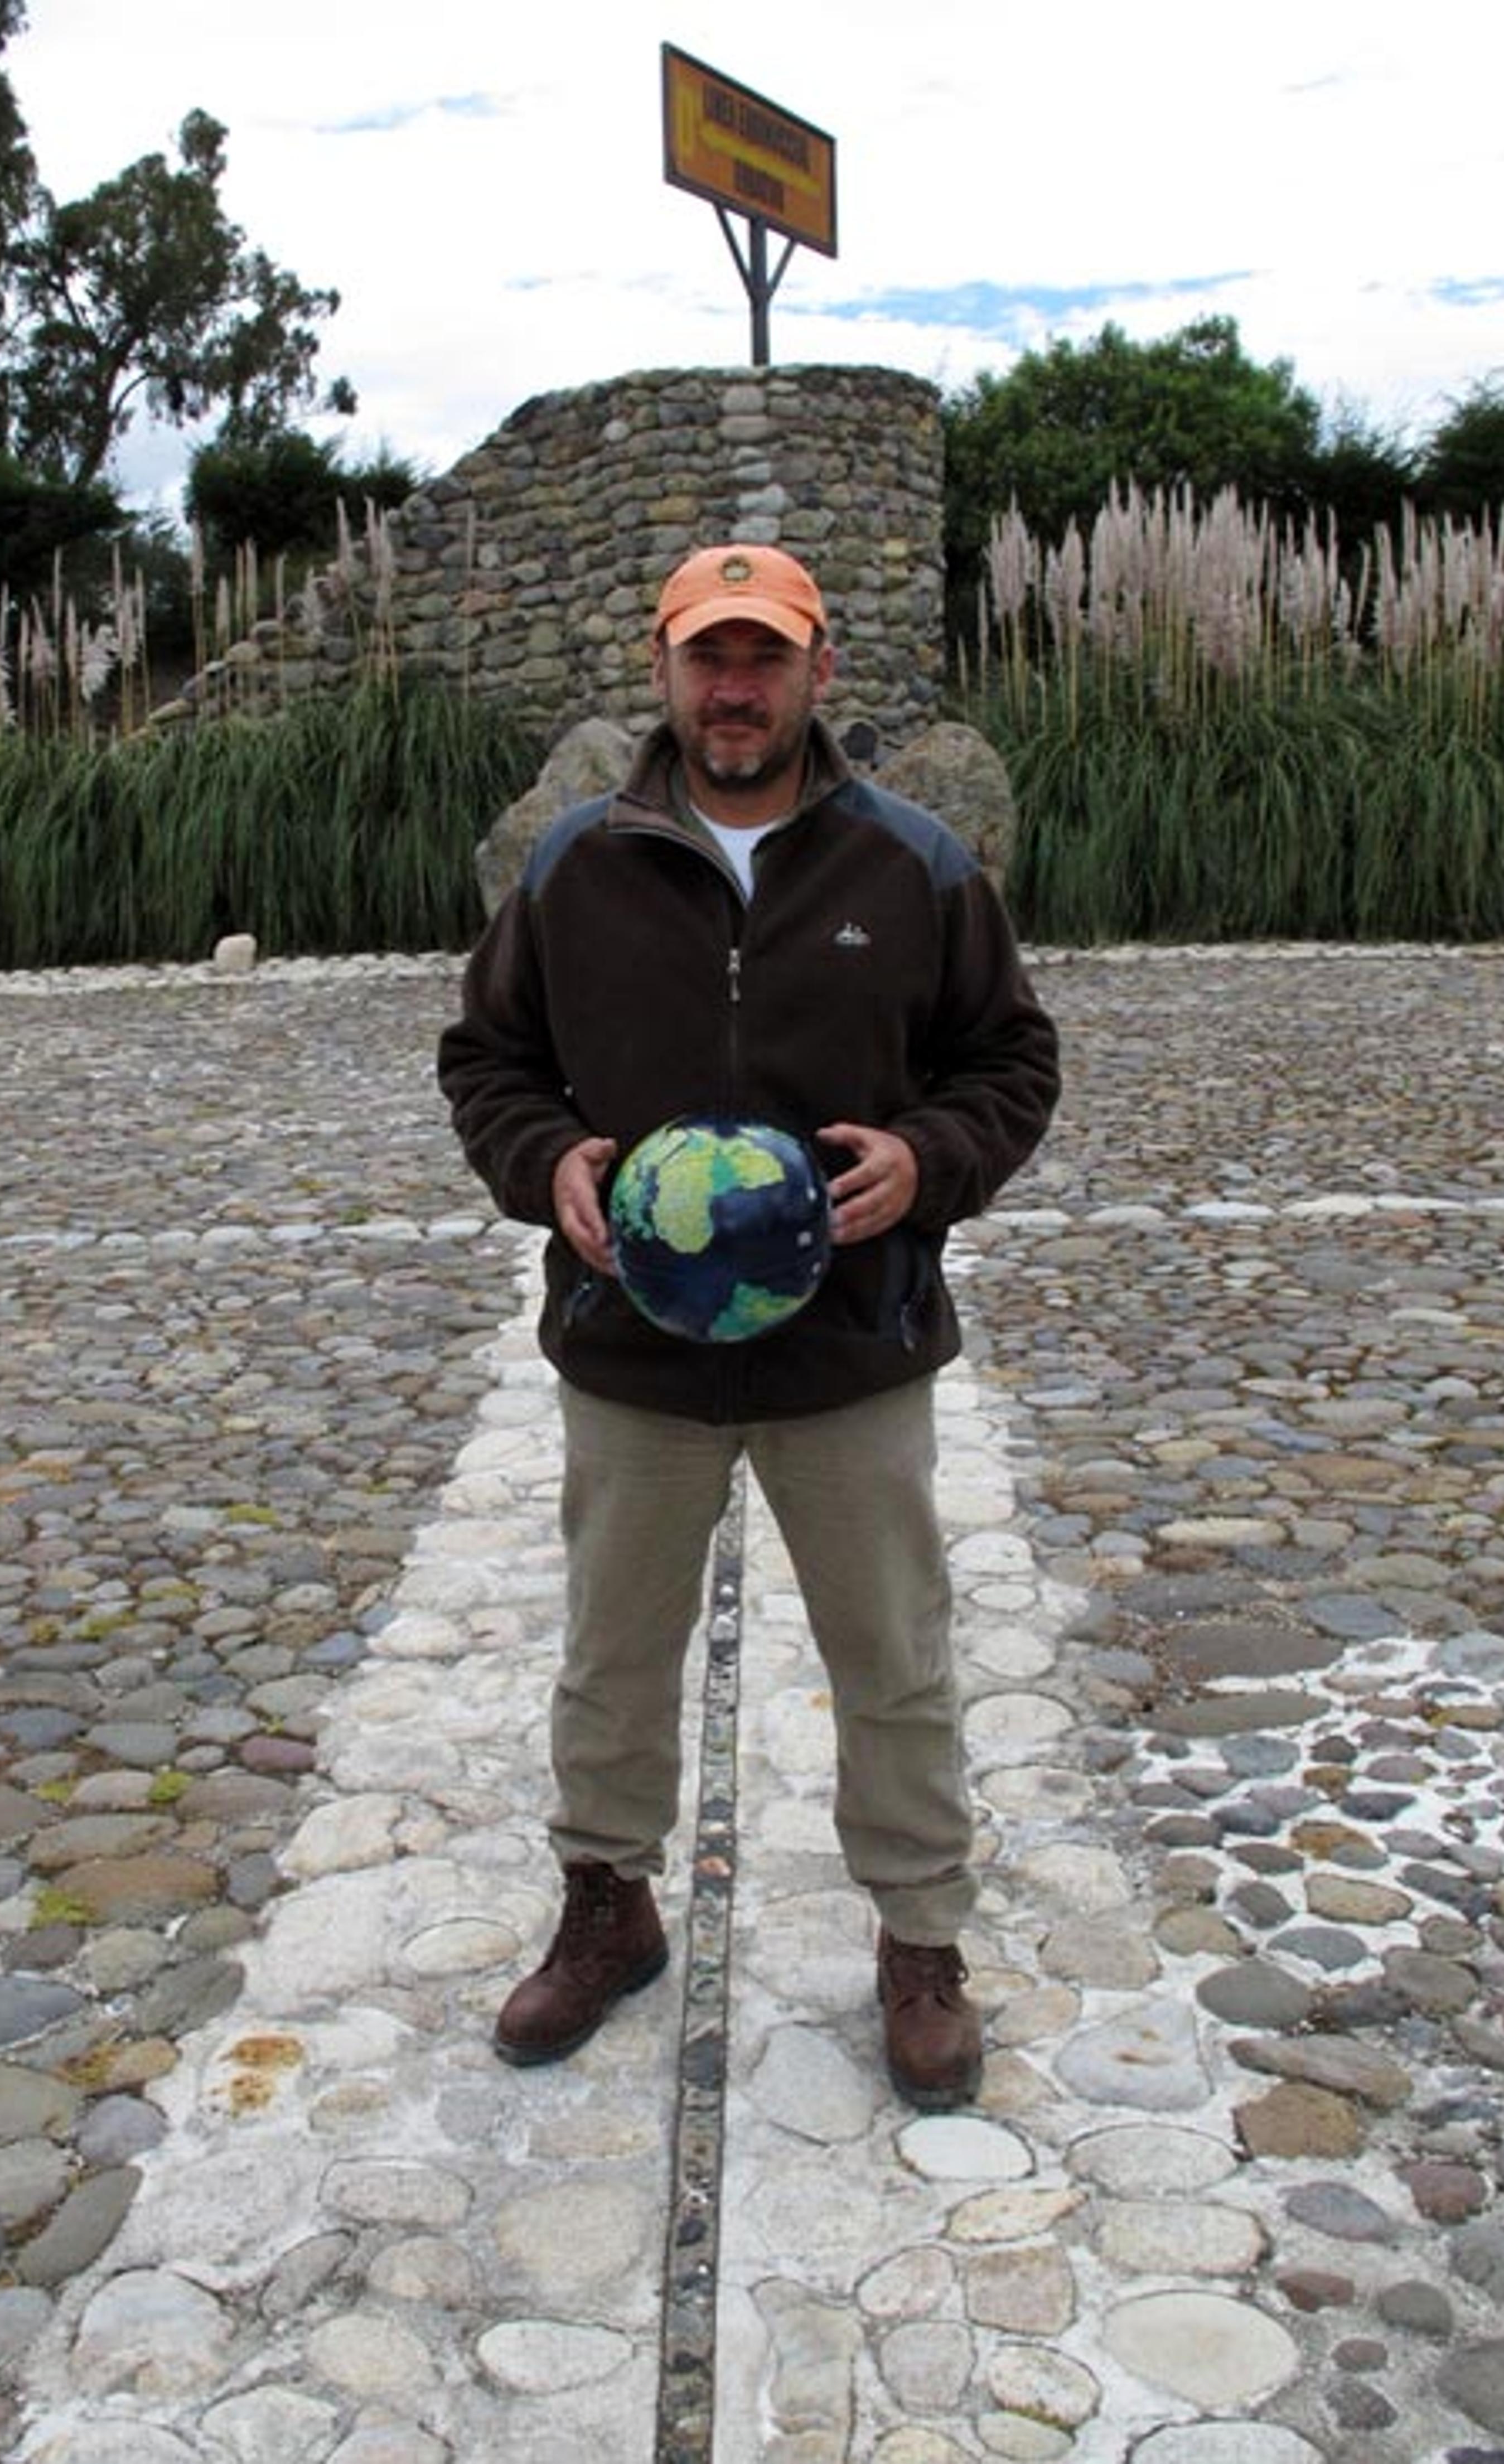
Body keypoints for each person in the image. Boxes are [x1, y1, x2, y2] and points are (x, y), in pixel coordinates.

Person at [436, 541, 1060, 2109]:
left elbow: (1012, 1062)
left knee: (895, 1658)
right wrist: (547, 1159)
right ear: (661, 670)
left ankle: (919, 1942)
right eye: (708, 657)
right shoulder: (578, 867)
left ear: (817, 672)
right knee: (612, 1655)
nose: (734, 688)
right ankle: (607, 1905)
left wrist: (932, 1159)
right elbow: (486, 1059)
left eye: (764, 658)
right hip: (635, 1352)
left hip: (852, 1346)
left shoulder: (913, 866)